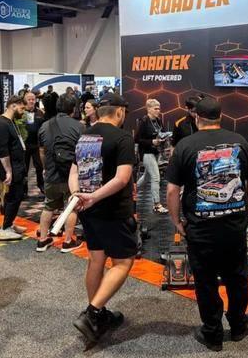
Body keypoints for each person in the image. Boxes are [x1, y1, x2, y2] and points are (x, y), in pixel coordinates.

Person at [166, 96, 248, 351]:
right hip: (234, 225)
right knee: (236, 276)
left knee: (205, 281)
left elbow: (172, 191)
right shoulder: (239, 141)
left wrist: (176, 221)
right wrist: (247, 207)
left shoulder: (185, 145)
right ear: (221, 116)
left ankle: (212, 333)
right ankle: (239, 325)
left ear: (197, 117)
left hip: (200, 228)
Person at [70, 93, 136, 346]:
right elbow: (122, 178)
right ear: (119, 112)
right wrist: (95, 197)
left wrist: (78, 194)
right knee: (123, 262)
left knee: (96, 259)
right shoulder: (122, 137)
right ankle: (92, 313)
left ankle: (97, 315)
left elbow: (74, 171)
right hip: (113, 210)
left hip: (88, 209)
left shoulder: (85, 135)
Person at [36, 94, 85, 253]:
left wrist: (46, 167)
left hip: (51, 173)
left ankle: (42, 240)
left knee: (48, 206)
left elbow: (41, 151)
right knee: (71, 207)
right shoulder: (79, 127)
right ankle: (68, 241)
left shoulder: (45, 126)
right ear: (73, 109)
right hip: (71, 175)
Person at [0, 95, 27, 241]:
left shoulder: (10, 122)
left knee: (16, 195)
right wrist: (8, 171)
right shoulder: (1, 124)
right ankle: (5, 229)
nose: (23, 111)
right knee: (14, 196)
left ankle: (9, 224)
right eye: (21, 108)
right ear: (13, 106)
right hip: (10, 168)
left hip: (16, 166)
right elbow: (2, 150)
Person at [136, 99, 168, 214]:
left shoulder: (158, 120)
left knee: (146, 178)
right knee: (155, 178)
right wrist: (151, 142)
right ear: (148, 109)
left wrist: (164, 138)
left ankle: (130, 191)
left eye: (159, 108)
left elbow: (162, 133)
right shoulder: (144, 121)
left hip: (156, 152)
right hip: (146, 153)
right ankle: (157, 204)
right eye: (155, 108)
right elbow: (137, 139)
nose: (158, 111)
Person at [23, 92, 45, 195]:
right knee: (24, 168)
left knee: (39, 166)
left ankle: (41, 185)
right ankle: (24, 189)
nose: (31, 101)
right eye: (29, 99)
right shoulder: (21, 113)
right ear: (25, 101)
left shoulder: (40, 112)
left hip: (37, 145)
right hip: (24, 145)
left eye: (33, 99)